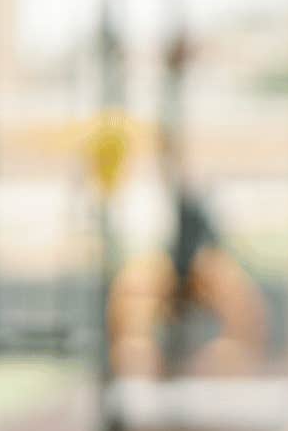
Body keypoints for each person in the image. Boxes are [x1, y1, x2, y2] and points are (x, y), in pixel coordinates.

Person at [108, 141, 268, 379]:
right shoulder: (144, 277)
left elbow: (246, 316)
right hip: (172, 265)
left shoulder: (218, 271)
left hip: (203, 262)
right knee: (135, 296)